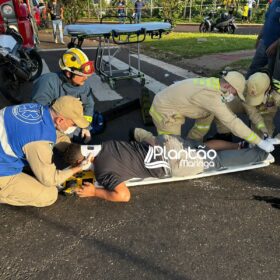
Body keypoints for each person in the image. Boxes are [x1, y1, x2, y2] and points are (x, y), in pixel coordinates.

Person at [62, 129, 277, 202]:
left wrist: (94, 193)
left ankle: (260, 151)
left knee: (217, 161)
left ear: (82, 163)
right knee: (203, 147)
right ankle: (240, 145)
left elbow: (123, 196)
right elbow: (143, 143)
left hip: (173, 163)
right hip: (167, 142)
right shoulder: (108, 145)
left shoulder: (103, 171)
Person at [149, 71, 275, 153]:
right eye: (235, 93)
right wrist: (259, 142)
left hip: (171, 102)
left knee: (207, 115)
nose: (234, 95)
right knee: (171, 152)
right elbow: (232, 122)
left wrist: (262, 130)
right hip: (165, 111)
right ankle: (141, 136)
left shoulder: (214, 83)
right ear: (227, 86)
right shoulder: (212, 97)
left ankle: (192, 145)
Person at [0, 96, 93, 207]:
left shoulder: (38, 109)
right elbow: (49, 179)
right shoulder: (37, 142)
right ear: (60, 120)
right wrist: (77, 168)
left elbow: (54, 134)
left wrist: (73, 151)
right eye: (73, 124)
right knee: (49, 194)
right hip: (3, 172)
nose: (74, 127)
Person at [32, 48, 98, 144]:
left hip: (73, 124)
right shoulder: (48, 82)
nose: (86, 78)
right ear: (68, 73)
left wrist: (86, 127)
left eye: (86, 75)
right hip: (54, 126)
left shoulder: (83, 85)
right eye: (81, 75)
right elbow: (40, 116)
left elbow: (89, 105)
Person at [246, 0, 280, 78]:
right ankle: (245, 85)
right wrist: (259, 37)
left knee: (273, 75)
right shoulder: (274, 3)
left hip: (277, 48)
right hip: (264, 43)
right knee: (253, 68)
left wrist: (275, 45)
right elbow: (267, 21)